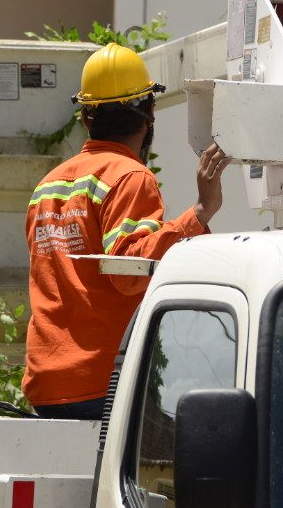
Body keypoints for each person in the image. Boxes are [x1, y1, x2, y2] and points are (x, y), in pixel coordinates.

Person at [23, 43, 229, 419]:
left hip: (48, 384)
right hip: (100, 382)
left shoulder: (47, 186)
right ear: (150, 112)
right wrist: (199, 213)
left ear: (86, 117)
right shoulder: (130, 177)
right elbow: (127, 269)